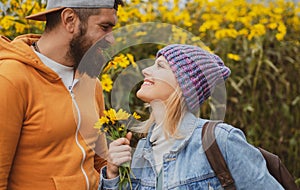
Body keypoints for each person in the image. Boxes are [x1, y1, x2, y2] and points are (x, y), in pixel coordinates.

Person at [99, 44, 284, 189]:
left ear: (183, 84)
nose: (145, 70)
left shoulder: (221, 140)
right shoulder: (142, 149)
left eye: (160, 66)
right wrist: (113, 174)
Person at [0, 0, 123, 189]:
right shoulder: (11, 79)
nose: (111, 39)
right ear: (70, 20)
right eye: (104, 27)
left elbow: (99, 164)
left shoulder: (92, 84)